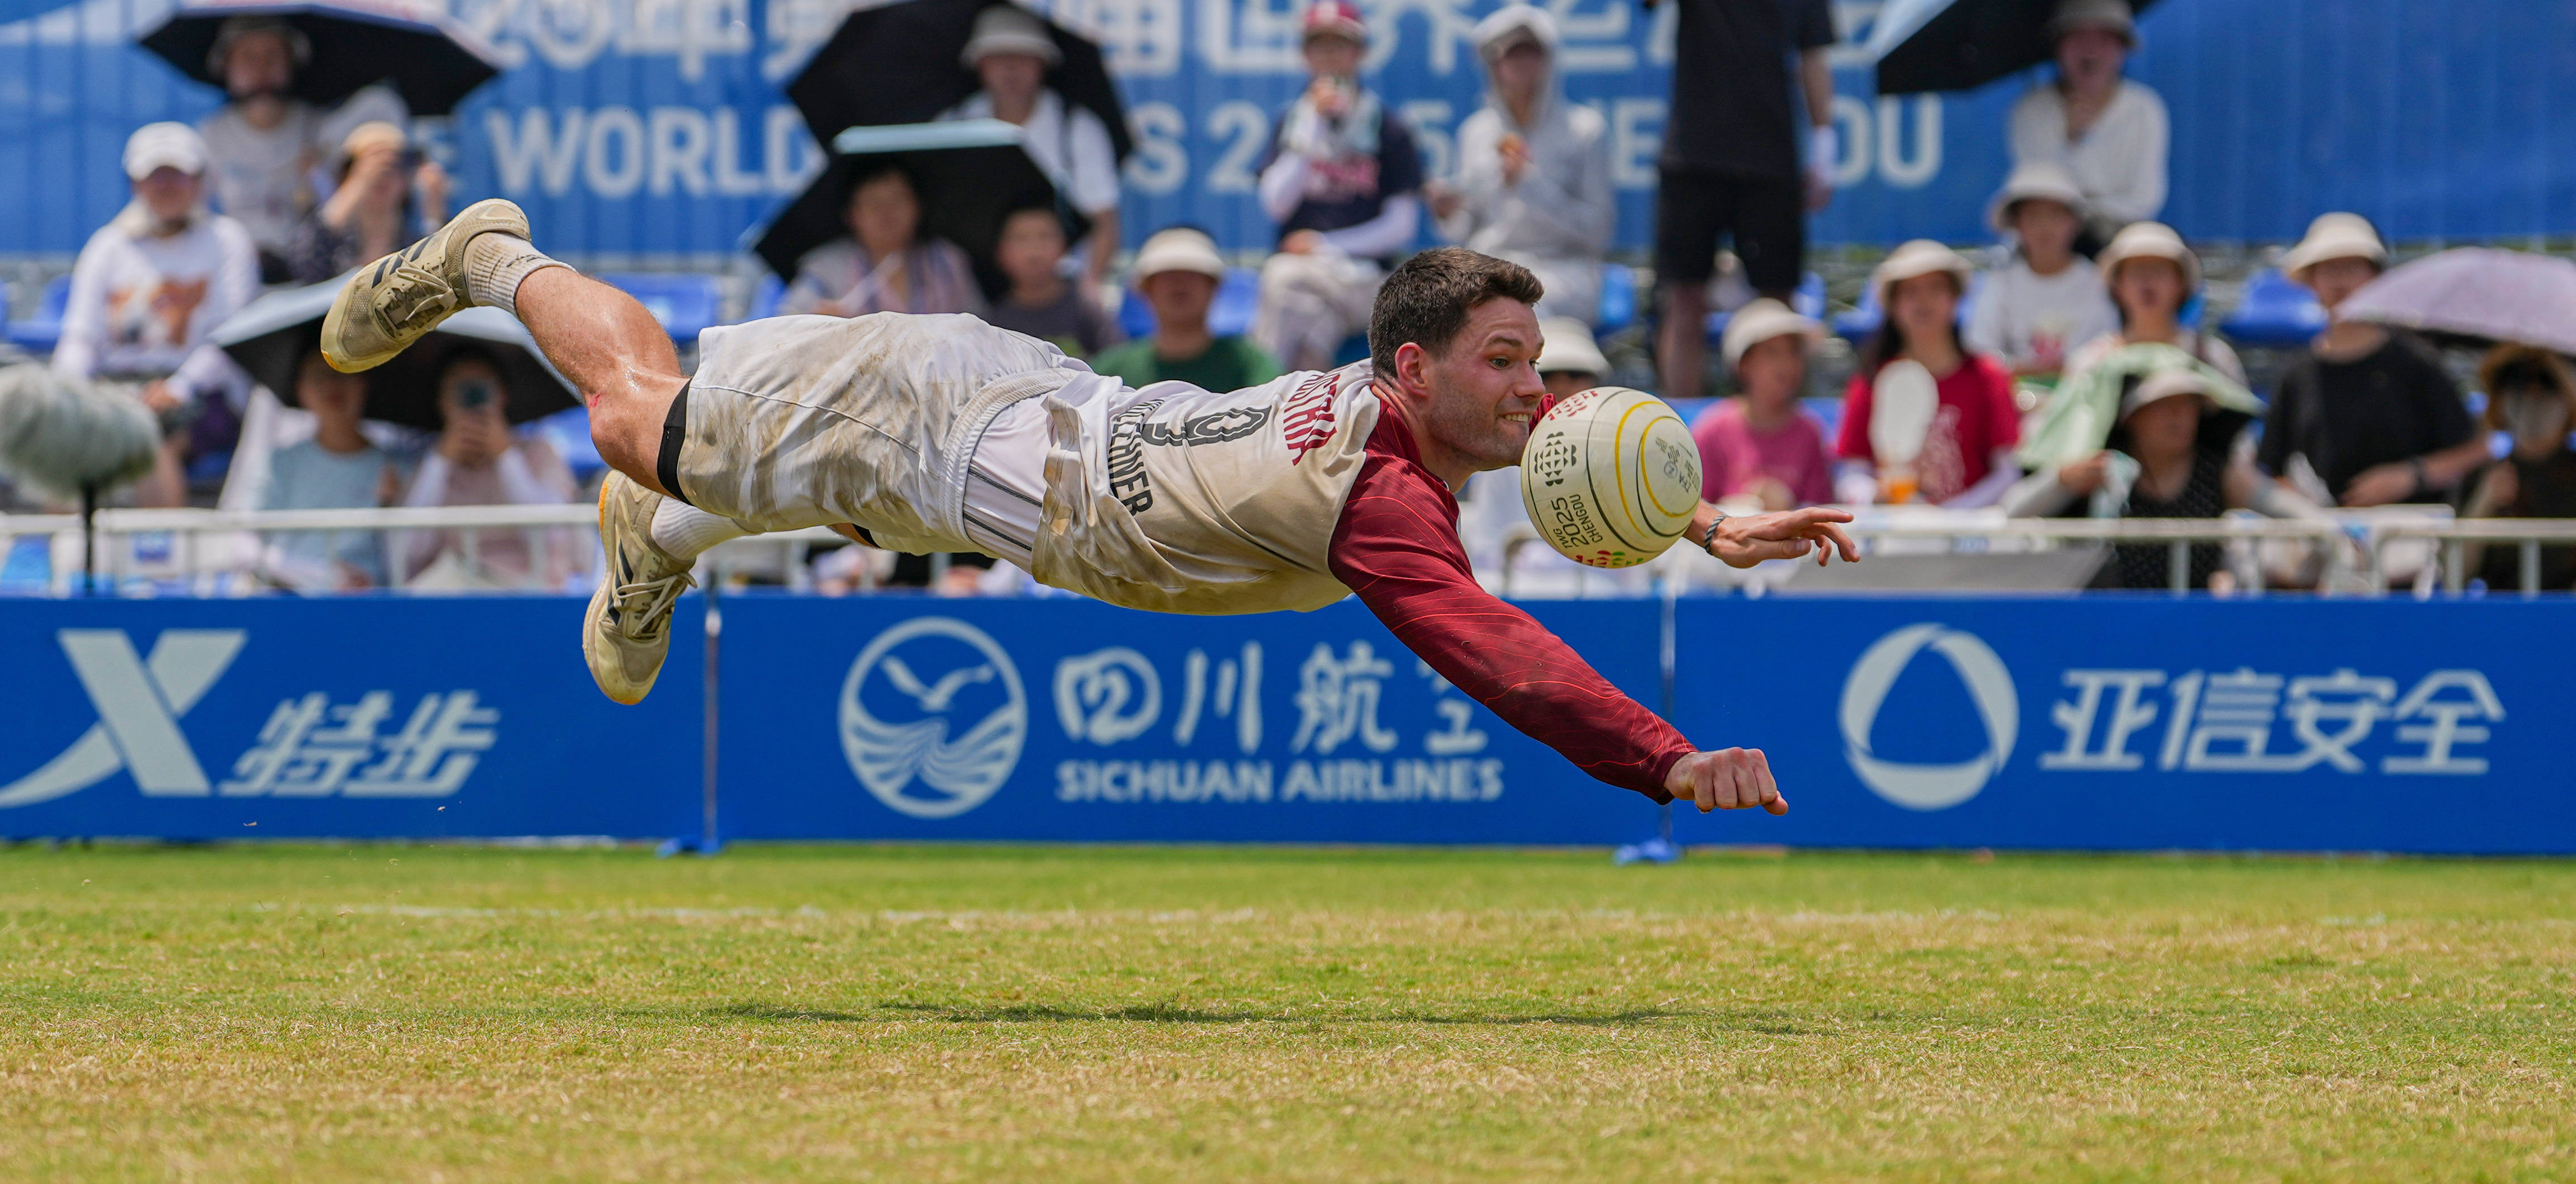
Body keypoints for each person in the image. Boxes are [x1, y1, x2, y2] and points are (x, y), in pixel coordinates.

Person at [324, 210, 1862, 817]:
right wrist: (1661, 755)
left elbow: (1560, 461)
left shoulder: (1410, 425)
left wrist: (1700, 522)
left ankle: (649, 546)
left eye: (1539, 363)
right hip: (949, 429)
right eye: (1506, 361)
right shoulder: (1377, 498)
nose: (1538, 391)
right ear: (1412, 367)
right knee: (636, 419)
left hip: (1015, 405)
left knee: (721, 476)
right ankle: (487, 262)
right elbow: (1491, 647)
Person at [1636, 0, 1838, 398]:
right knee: (1682, 296)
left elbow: (1813, 60)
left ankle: (1773, 426)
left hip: (1770, 154)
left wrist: (1822, 147)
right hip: (1692, 153)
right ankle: (1680, 429)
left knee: (1775, 300)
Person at [55, 122, 261, 507]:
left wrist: (178, 388)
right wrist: (68, 392)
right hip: (115, 387)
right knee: (61, 446)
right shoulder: (107, 246)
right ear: (136, 184)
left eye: (177, 175)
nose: (166, 186)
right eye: (155, 176)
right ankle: (63, 558)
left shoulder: (227, 241)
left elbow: (230, 336)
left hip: (201, 394)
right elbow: (81, 336)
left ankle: (161, 563)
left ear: (199, 181)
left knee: (150, 443)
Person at [2001, 363, 2294, 591]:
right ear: (2132, 417)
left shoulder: (2220, 474)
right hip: (2111, 629)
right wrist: (2061, 481)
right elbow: (2013, 512)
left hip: (2191, 627)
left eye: (2188, 405)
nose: (2178, 416)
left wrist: (2333, 524)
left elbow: (2289, 510)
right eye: (2164, 405)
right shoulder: (2101, 469)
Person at [1252, 0, 1426, 374]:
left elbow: (1402, 227)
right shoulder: (1292, 122)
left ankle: (1255, 405)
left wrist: (1324, 246)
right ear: (1305, 54)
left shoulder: (1387, 126)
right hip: (1313, 287)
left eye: (1340, 44)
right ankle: (1310, 423)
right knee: (1310, 329)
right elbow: (1276, 203)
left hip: (1369, 280)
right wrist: (1312, 125)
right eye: (1319, 45)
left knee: (1284, 279)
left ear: (1359, 53)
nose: (1330, 56)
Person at [2262, 212, 2483, 507]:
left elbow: (2473, 450)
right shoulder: (2294, 375)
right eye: (2329, 268)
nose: (2340, 280)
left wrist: (2409, 477)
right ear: (2312, 281)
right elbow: (2274, 467)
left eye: (2352, 267)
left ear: (2375, 277)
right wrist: (2307, 511)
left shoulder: (2417, 364)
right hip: (2319, 540)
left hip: (2408, 538)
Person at [1428, 4, 1613, 325]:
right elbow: (1466, 229)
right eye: (1510, 55)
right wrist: (1448, 212)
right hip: (1489, 267)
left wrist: (1529, 183)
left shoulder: (1586, 129)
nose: (1520, 64)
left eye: (1531, 53)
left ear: (1548, 61)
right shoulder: (1476, 132)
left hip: (1564, 270)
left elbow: (1597, 231)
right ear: (1494, 65)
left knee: (1525, 307)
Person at [1832, 241, 2021, 507]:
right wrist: (1875, 495)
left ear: (1956, 299)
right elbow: (1852, 474)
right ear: (1893, 305)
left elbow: (2007, 474)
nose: (1924, 301)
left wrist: (1954, 515)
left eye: (1936, 288)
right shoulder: (1870, 381)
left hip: (1972, 537)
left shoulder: (1988, 376)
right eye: (1911, 291)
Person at [942, 6, 1121, 285]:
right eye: (1000, 58)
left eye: (1023, 58)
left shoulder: (1077, 127)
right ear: (980, 65)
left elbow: (1103, 222)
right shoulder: (953, 125)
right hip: (971, 285)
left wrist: (1090, 289)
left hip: (1062, 284)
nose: (1011, 69)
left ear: (1042, 65)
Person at [393, 349, 579, 591]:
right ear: (441, 401)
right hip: (450, 595)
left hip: (525, 593)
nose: (471, 399)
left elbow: (552, 537)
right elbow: (408, 550)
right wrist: (439, 462)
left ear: (503, 395)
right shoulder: (426, 464)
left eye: (481, 389)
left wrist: (506, 456)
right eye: (459, 389)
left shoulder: (540, 453)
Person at [1453, 316, 1614, 589]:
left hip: (1605, 591)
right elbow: (1488, 547)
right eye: (1550, 375)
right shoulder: (1501, 458)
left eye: (1575, 374)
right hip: (1518, 590)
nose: (1562, 386)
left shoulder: (1623, 454)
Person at [2005, 0, 2169, 249]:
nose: (2091, 49)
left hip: (2120, 241)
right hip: (2048, 247)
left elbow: (2144, 200)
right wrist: (2072, 137)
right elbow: (2036, 195)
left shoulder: (2145, 108)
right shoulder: (2030, 110)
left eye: (2105, 38)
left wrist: (2084, 215)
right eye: (2079, 36)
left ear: (2122, 49)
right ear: (2058, 46)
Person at [254, 353, 398, 592]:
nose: (332, 386)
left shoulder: (396, 467)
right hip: (291, 597)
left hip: (369, 605)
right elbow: (247, 539)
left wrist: (397, 503)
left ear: (363, 383)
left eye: (343, 371)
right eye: (319, 376)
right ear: (301, 390)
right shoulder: (281, 462)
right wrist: (314, 574)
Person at [193, 16, 322, 282]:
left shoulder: (319, 127)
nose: (261, 68)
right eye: (249, 58)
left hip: (311, 276)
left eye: (273, 56)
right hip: (234, 275)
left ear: (292, 63)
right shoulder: (209, 136)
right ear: (225, 66)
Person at [1966, 161, 2118, 378]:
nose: (2045, 227)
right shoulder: (2000, 283)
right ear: (2017, 224)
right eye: (2034, 215)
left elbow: (2107, 347)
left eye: (2056, 215)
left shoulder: (2096, 282)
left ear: (2075, 223)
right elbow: (1981, 349)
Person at [778, 161, 985, 318]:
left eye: (897, 199)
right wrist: (816, 323)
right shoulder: (826, 269)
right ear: (852, 215)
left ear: (917, 206)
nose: (887, 212)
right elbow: (784, 328)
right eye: (873, 203)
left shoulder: (949, 261)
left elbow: (981, 326)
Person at [1092, 227, 1281, 392]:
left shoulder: (1250, 364)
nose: (1180, 283)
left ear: (1213, 287)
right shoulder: (1110, 372)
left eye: (1192, 274)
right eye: (1167, 275)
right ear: (1146, 290)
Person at [1692, 298, 1834, 511]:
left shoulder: (1811, 433)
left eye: (1793, 352)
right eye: (1772, 352)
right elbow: (1693, 513)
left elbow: (1823, 507)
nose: (1787, 364)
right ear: (1744, 364)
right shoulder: (1712, 431)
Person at [2064, 221, 2244, 385]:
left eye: (2158, 272)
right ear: (2117, 287)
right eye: (2137, 272)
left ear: (2182, 284)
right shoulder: (2090, 364)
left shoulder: (2214, 358)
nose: (2147, 282)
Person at [2463, 344, 2576, 591]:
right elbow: (2457, 570)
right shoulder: (2486, 475)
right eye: (2518, 391)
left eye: (2545, 389)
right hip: (2504, 614)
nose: (2532, 400)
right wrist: (2485, 503)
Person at [288, 119, 452, 285]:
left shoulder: (413, 241)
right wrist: (360, 181)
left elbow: (442, 274)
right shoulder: (334, 245)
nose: (383, 175)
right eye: (369, 166)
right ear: (347, 176)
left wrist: (433, 208)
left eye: (395, 166)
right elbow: (306, 264)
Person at [982, 205, 1116, 359]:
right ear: (1000, 252)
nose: (1034, 251)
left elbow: (1115, 361)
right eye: (1021, 239)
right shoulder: (993, 324)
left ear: (1064, 246)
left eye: (1045, 236)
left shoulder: (1086, 306)